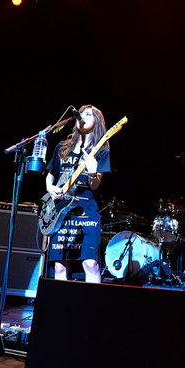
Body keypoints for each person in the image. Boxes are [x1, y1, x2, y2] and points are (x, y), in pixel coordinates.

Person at [45, 105, 111, 283]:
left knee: (90, 264)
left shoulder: (101, 151)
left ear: (97, 122)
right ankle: (60, 301)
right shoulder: (61, 147)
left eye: (88, 114)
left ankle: (92, 300)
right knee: (60, 265)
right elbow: (50, 175)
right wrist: (50, 187)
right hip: (61, 213)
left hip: (86, 212)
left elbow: (94, 186)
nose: (82, 116)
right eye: (81, 114)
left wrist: (92, 172)